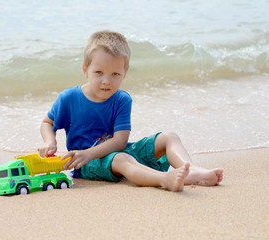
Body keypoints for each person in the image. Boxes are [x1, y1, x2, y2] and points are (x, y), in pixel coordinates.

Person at [39, 30, 223, 192]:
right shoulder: (69, 98)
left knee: (169, 137)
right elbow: (48, 123)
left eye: (115, 74)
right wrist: (50, 140)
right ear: (85, 70)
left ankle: (191, 170)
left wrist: (92, 152)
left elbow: (120, 141)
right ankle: (164, 180)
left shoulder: (122, 99)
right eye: (99, 73)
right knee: (121, 159)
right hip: (86, 163)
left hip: (118, 151)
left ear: (124, 74)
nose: (106, 81)